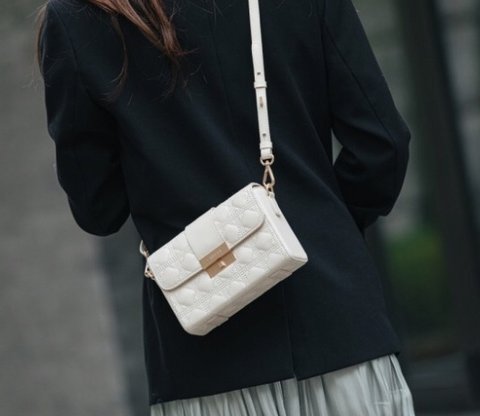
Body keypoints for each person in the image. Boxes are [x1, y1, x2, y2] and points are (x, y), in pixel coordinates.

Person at [36, 0, 416, 414]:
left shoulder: (78, 16)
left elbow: (99, 209)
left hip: (206, 352)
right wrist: (319, 232)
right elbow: (382, 146)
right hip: (338, 327)